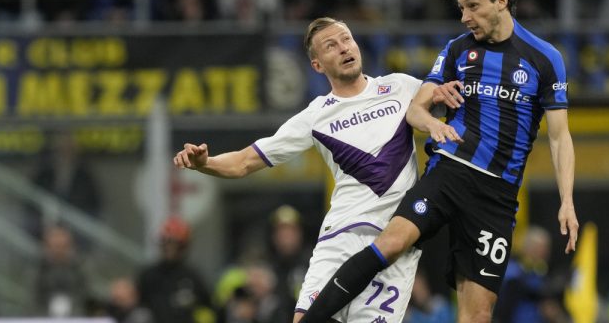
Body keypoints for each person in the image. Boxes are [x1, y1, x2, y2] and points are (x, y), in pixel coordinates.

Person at [300, 0, 579, 323]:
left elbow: (560, 137)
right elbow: (416, 109)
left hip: (496, 196)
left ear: (502, 1)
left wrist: (567, 200)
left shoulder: (545, 58)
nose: (465, 16)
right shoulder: (457, 50)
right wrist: (432, 125)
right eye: (461, 8)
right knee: (391, 243)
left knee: (477, 314)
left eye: (473, 6)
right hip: (449, 173)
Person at [174, 17, 457, 323]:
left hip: (396, 245)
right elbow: (245, 161)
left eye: (346, 39)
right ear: (318, 65)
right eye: (331, 46)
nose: (343, 48)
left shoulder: (401, 87)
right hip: (342, 239)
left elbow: (454, 106)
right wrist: (206, 163)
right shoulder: (316, 116)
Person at [136, 216, 214, 323]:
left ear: (183, 246)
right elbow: (138, 309)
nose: (169, 248)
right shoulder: (148, 276)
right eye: (166, 242)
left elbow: (210, 308)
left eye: (174, 244)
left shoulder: (193, 277)